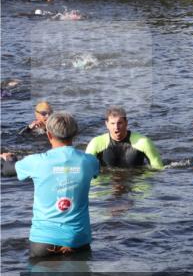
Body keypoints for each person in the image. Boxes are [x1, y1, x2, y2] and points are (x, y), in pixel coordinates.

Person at [15, 112, 100, 258]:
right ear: (75, 134)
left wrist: (7, 158)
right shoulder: (90, 161)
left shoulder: (36, 162)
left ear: (49, 135)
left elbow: (11, 169)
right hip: (78, 240)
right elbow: (94, 172)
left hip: (43, 241)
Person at [85, 106, 164, 170]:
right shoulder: (96, 143)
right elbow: (86, 170)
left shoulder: (143, 142)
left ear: (126, 123)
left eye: (119, 123)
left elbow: (158, 169)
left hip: (135, 183)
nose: (116, 127)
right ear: (107, 124)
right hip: (108, 185)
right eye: (112, 123)